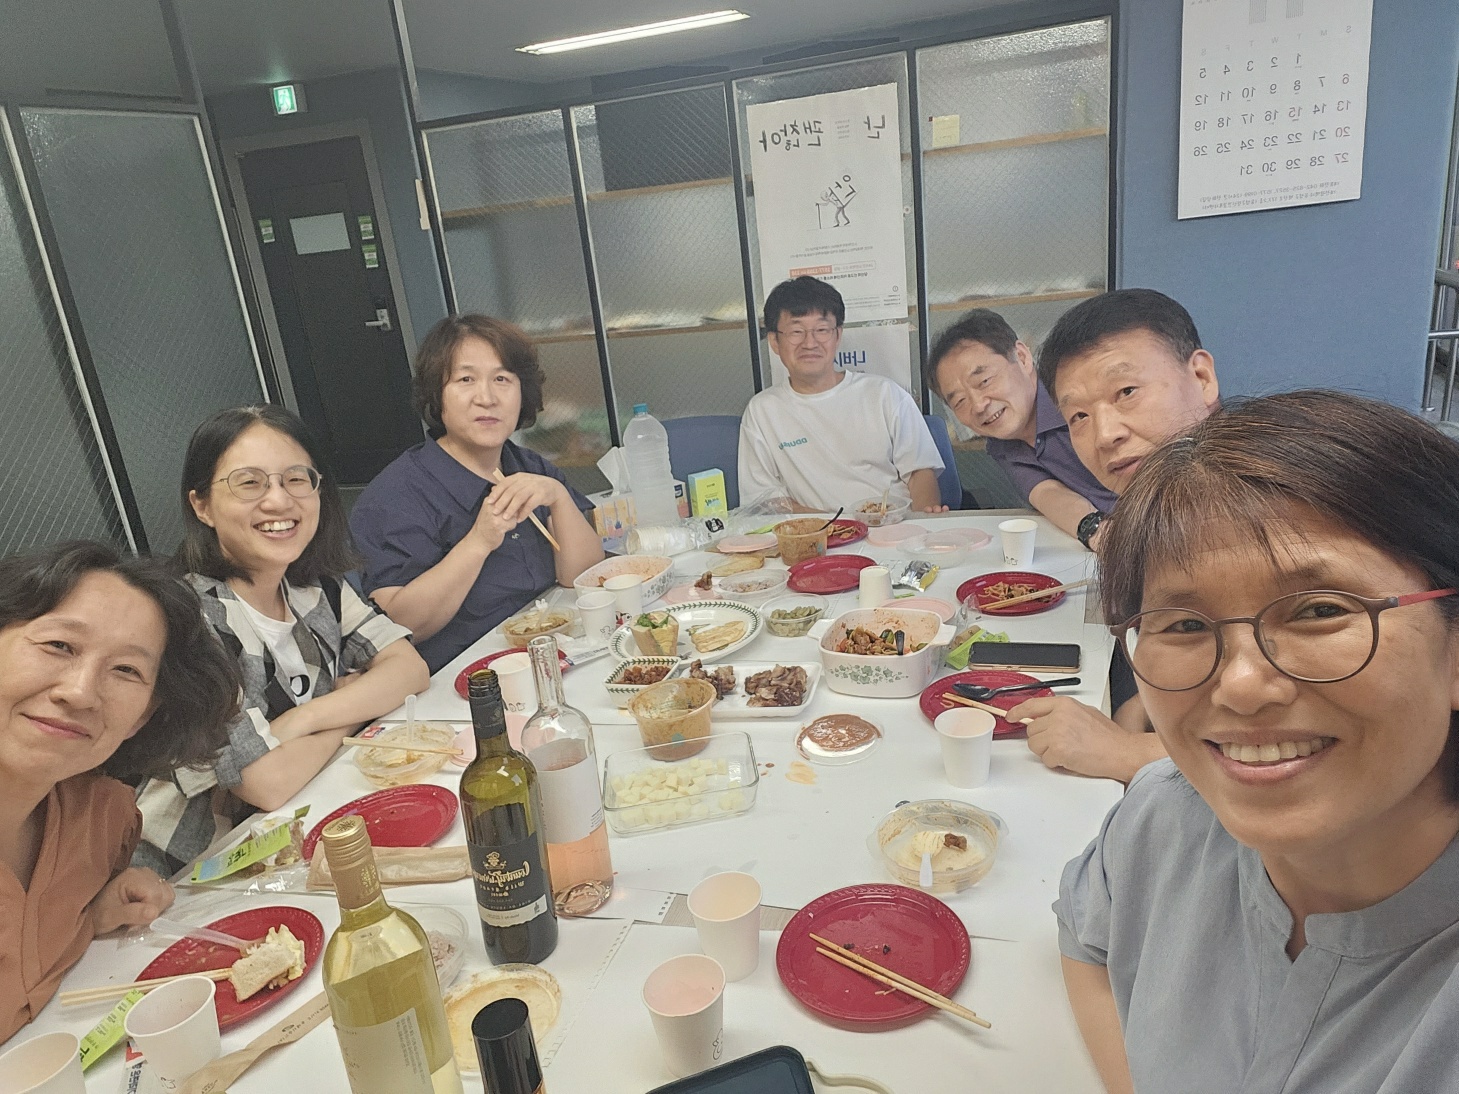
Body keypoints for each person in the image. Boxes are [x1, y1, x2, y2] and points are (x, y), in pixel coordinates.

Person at [1057, 391, 1459, 1092]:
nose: (1242, 686)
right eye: (1183, 625)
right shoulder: (1162, 819)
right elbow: (1085, 942)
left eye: (1319, 610)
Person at [133, 406, 429, 876]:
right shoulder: (187, 619)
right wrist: (351, 710)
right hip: (186, 874)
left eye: (295, 479)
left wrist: (302, 720)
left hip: (290, 837)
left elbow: (409, 668)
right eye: (249, 483)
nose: (278, 501)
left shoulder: (315, 587)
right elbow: (266, 783)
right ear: (202, 505)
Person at [0, 540, 237, 1040]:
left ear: (142, 717)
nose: (80, 692)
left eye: (127, 670)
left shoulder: (102, 821)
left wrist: (91, 916)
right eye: (58, 645)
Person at [1008, 288, 1221, 783]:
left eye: (1126, 392)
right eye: (1079, 416)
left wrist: (1126, 752)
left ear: (1201, 377)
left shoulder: (1268, 520)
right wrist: (1134, 710)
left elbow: (1322, 740)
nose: (1105, 434)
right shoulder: (1158, 522)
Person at [351, 315, 603, 673]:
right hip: (465, 681)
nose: (487, 398)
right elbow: (402, 626)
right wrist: (479, 541)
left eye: (502, 379)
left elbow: (583, 577)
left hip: (554, 654)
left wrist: (558, 497)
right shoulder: (395, 496)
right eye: (465, 379)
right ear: (436, 395)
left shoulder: (527, 464)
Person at [738, 276, 945, 513]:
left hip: (892, 524)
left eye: (821, 330)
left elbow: (921, 472)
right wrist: (840, 527)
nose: (809, 343)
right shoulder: (762, 411)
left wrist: (921, 525)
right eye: (796, 331)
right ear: (774, 341)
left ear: (837, 335)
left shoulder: (885, 394)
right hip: (816, 533)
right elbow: (766, 500)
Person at [926, 309, 1117, 545]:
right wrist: (1099, 534)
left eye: (984, 381)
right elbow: (1047, 494)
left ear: (1022, 357)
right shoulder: (1002, 444)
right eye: (960, 401)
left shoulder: (1078, 401)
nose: (978, 405)